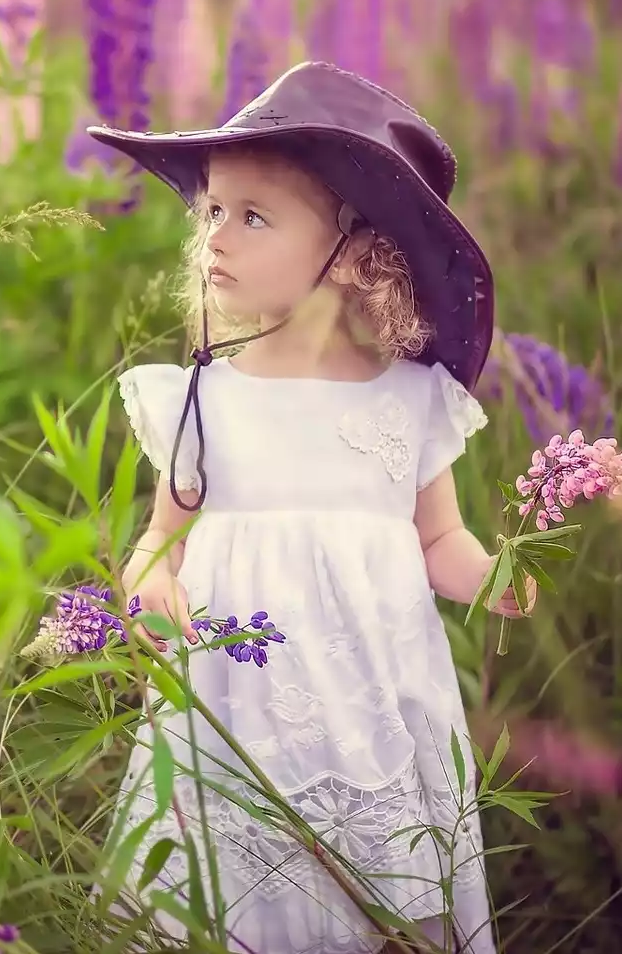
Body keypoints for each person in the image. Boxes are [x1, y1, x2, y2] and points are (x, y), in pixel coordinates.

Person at [85, 61, 534, 954]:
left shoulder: (409, 402)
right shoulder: (202, 399)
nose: (216, 237)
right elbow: (159, 539)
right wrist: (152, 583)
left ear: (358, 254)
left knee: (378, 898)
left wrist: (495, 578)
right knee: (235, 895)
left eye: (253, 216)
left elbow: (439, 539)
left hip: (373, 715)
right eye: (212, 210)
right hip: (234, 715)